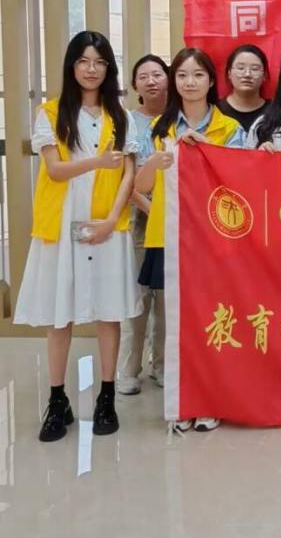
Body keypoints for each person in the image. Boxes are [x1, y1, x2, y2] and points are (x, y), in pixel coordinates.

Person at [16, 31, 141, 442]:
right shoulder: (50, 113)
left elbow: (128, 175)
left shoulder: (120, 116)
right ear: (72, 66)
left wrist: (110, 220)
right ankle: (57, 401)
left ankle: (107, 397)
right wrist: (96, 162)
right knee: (60, 315)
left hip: (108, 226)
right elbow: (55, 170)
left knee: (109, 312)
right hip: (61, 224)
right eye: (84, 61)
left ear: (109, 69)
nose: (92, 69)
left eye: (100, 62)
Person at [134, 48, 246, 434]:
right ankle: (183, 402)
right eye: (182, 75)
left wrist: (209, 153)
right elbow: (140, 185)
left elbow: (241, 183)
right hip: (168, 236)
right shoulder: (158, 129)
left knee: (213, 320)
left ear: (211, 81)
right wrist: (154, 162)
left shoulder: (230, 129)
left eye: (198, 75)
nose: (190, 82)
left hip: (214, 238)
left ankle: (210, 400)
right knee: (176, 323)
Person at [117, 54, 170, 396]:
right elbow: (125, 176)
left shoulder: (178, 120)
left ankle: (162, 366)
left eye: (158, 74)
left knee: (166, 298)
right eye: (144, 76)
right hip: (137, 219)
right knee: (136, 299)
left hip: (173, 222)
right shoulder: (126, 122)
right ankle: (129, 369)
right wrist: (152, 208)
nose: (151, 81)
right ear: (135, 84)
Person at [218, 43, 269, 132]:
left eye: (255, 69)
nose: (247, 74)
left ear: (264, 75)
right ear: (229, 73)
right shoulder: (216, 110)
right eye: (240, 68)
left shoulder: (275, 111)